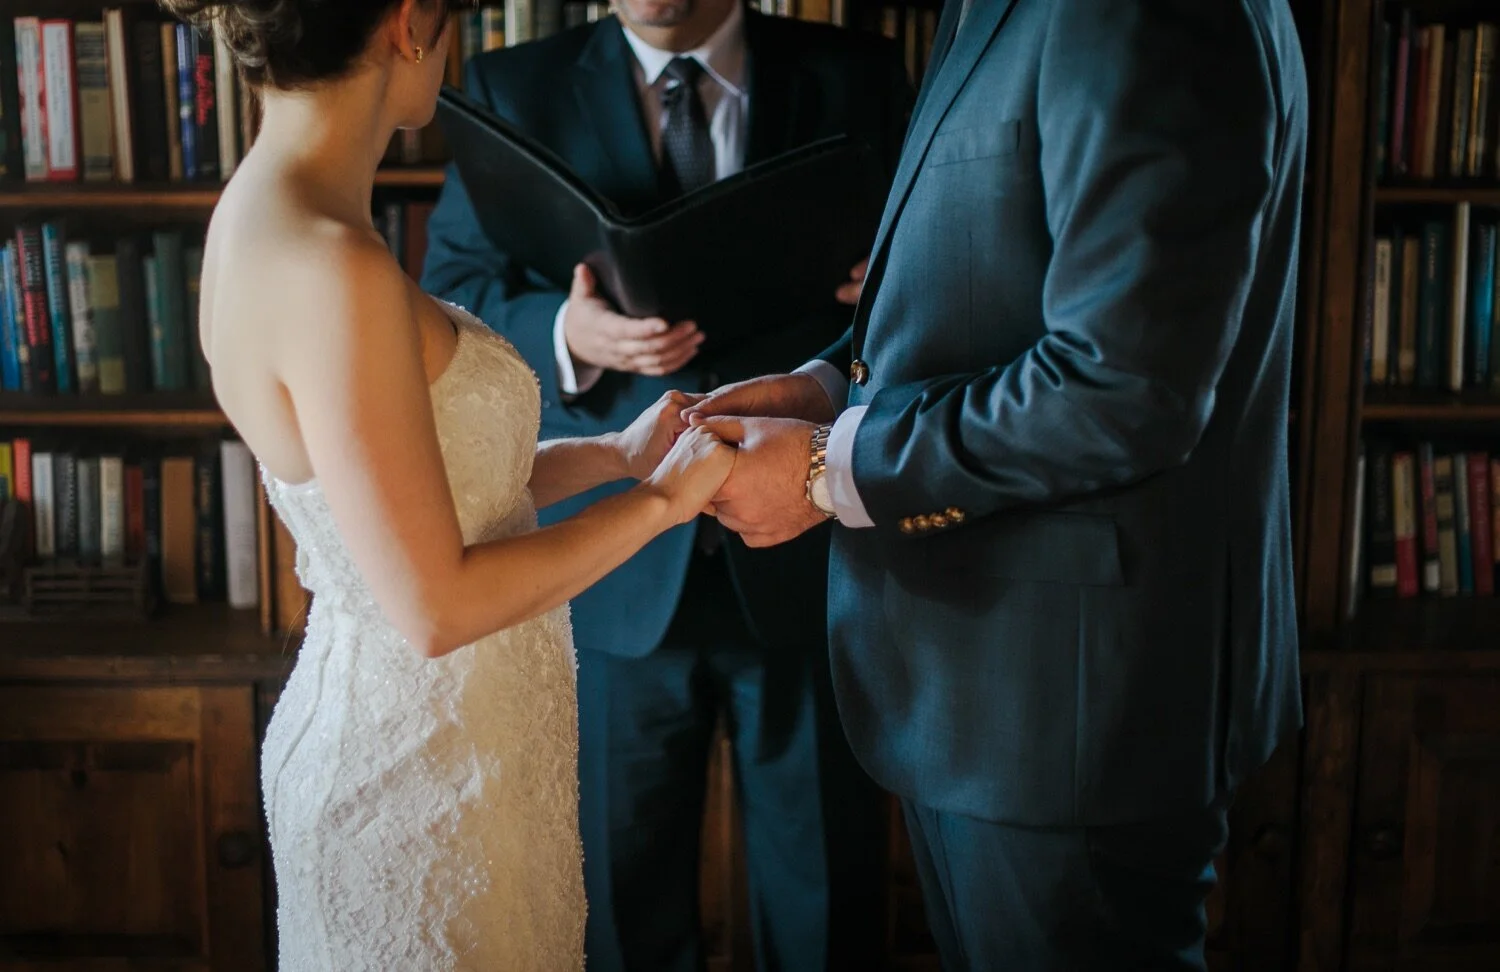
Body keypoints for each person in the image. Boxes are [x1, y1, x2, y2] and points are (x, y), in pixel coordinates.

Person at [686, 0, 1308, 968]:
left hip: (1071, 716)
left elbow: (1122, 388)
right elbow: (990, 281)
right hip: (991, 699)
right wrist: (823, 387)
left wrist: (826, 471)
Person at [164, 0, 735, 967]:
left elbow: (436, 493)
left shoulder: (281, 213)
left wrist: (617, 456)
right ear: (409, 23)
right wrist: (664, 505)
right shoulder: (328, 263)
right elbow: (435, 602)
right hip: (414, 789)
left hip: (466, 752)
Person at [422, 1, 910, 969]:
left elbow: (942, 273)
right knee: (622, 922)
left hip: (808, 558)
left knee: (828, 922)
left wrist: (892, 278)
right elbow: (454, 291)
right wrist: (569, 337)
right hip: (612, 574)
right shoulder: (513, 88)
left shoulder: (859, 75)